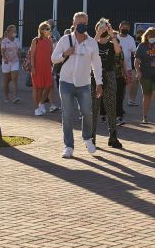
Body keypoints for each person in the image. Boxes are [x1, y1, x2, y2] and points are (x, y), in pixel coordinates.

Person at [51, 11, 104, 159]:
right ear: (73, 23)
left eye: (85, 23)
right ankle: (68, 146)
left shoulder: (92, 43)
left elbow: (97, 64)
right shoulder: (65, 40)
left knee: (87, 112)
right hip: (66, 82)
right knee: (67, 115)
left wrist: (99, 83)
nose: (82, 25)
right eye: (79, 22)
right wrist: (65, 54)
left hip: (84, 83)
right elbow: (53, 58)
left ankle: (87, 138)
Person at [92, 19, 124, 149]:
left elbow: (118, 52)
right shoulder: (93, 42)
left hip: (109, 74)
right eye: (101, 28)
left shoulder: (112, 44)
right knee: (94, 108)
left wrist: (112, 35)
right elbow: (89, 50)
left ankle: (113, 137)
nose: (104, 30)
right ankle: (91, 138)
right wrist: (98, 34)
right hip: (94, 76)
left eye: (106, 28)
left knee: (111, 107)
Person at [134, 27, 155, 125]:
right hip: (145, 74)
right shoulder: (142, 46)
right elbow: (136, 61)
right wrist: (138, 71)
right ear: (146, 36)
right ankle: (145, 117)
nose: (152, 37)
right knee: (147, 96)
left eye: (153, 35)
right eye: (150, 35)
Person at [28, 22, 55, 115]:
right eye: (47, 29)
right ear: (42, 30)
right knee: (37, 88)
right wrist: (33, 67)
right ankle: (36, 109)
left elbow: (52, 53)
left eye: (49, 29)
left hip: (47, 67)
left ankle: (41, 103)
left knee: (48, 86)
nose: (49, 31)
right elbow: (32, 55)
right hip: (37, 67)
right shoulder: (36, 40)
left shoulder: (50, 40)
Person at [117, 20, 139, 115]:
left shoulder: (131, 39)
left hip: (128, 67)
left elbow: (134, 53)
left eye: (126, 27)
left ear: (129, 29)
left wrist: (139, 61)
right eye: (123, 27)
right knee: (119, 87)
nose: (124, 29)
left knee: (129, 83)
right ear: (119, 27)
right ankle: (118, 105)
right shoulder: (115, 38)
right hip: (117, 67)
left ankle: (130, 100)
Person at [0, 24, 22, 104]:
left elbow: (19, 51)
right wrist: (5, 59)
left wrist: (20, 59)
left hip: (15, 62)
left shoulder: (17, 40)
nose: (15, 32)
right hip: (6, 62)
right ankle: (6, 96)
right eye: (13, 31)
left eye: (15, 31)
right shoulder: (4, 41)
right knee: (6, 80)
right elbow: (2, 51)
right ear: (9, 32)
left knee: (14, 79)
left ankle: (15, 96)